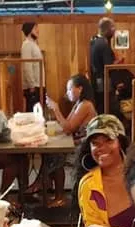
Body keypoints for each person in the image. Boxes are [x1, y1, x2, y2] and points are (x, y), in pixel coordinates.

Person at [40, 74, 97, 208]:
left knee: (56, 154)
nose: (67, 93)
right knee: (49, 152)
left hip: (86, 146)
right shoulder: (79, 104)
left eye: (69, 89)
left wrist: (56, 108)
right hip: (78, 141)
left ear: (80, 89)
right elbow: (67, 124)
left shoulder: (86, 105)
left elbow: (68, 128)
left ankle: (60, 196)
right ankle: (45, 182)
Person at [75, 114, 135, 227]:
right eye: (95, 143)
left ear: (120, 143)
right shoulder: (89, 186)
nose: (101, 148)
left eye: (109, 140)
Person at [90, 17, 116, 114]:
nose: (114, 31)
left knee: (101, 109)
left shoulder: (94, 42)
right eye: (113, 28)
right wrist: (118, 63)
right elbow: (108, 67)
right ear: (108, 29)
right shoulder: (104, 45)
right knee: (107, 110)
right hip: (104, 84)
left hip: (96, 82)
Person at [20, 22, 42, 112]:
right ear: (29, 31)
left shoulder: (34, 44)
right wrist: (31, 85)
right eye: (35, 28)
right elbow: (27, 65)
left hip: (38, 83)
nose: (38, 31)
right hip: (33, 85)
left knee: (38, 110)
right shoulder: (27, 44)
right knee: (33, 111)